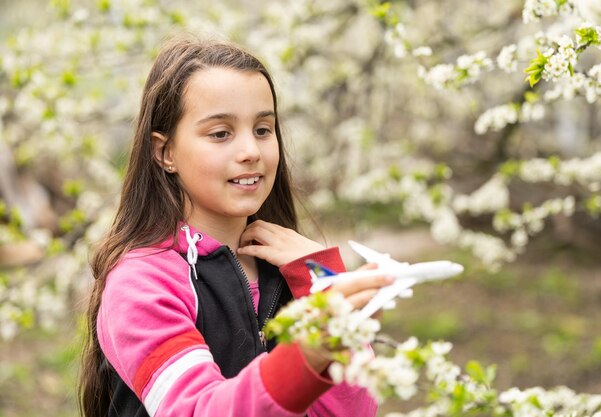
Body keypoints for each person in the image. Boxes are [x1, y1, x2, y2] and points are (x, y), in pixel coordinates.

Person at [79, 35, 392, 417]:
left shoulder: (292, 264)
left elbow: (352, 412)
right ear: (165, 152)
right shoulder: (142, 284)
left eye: (262, 129)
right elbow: (197, 410)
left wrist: (319, 277)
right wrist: (308, 351)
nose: (251, 152)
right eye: (220, 134)